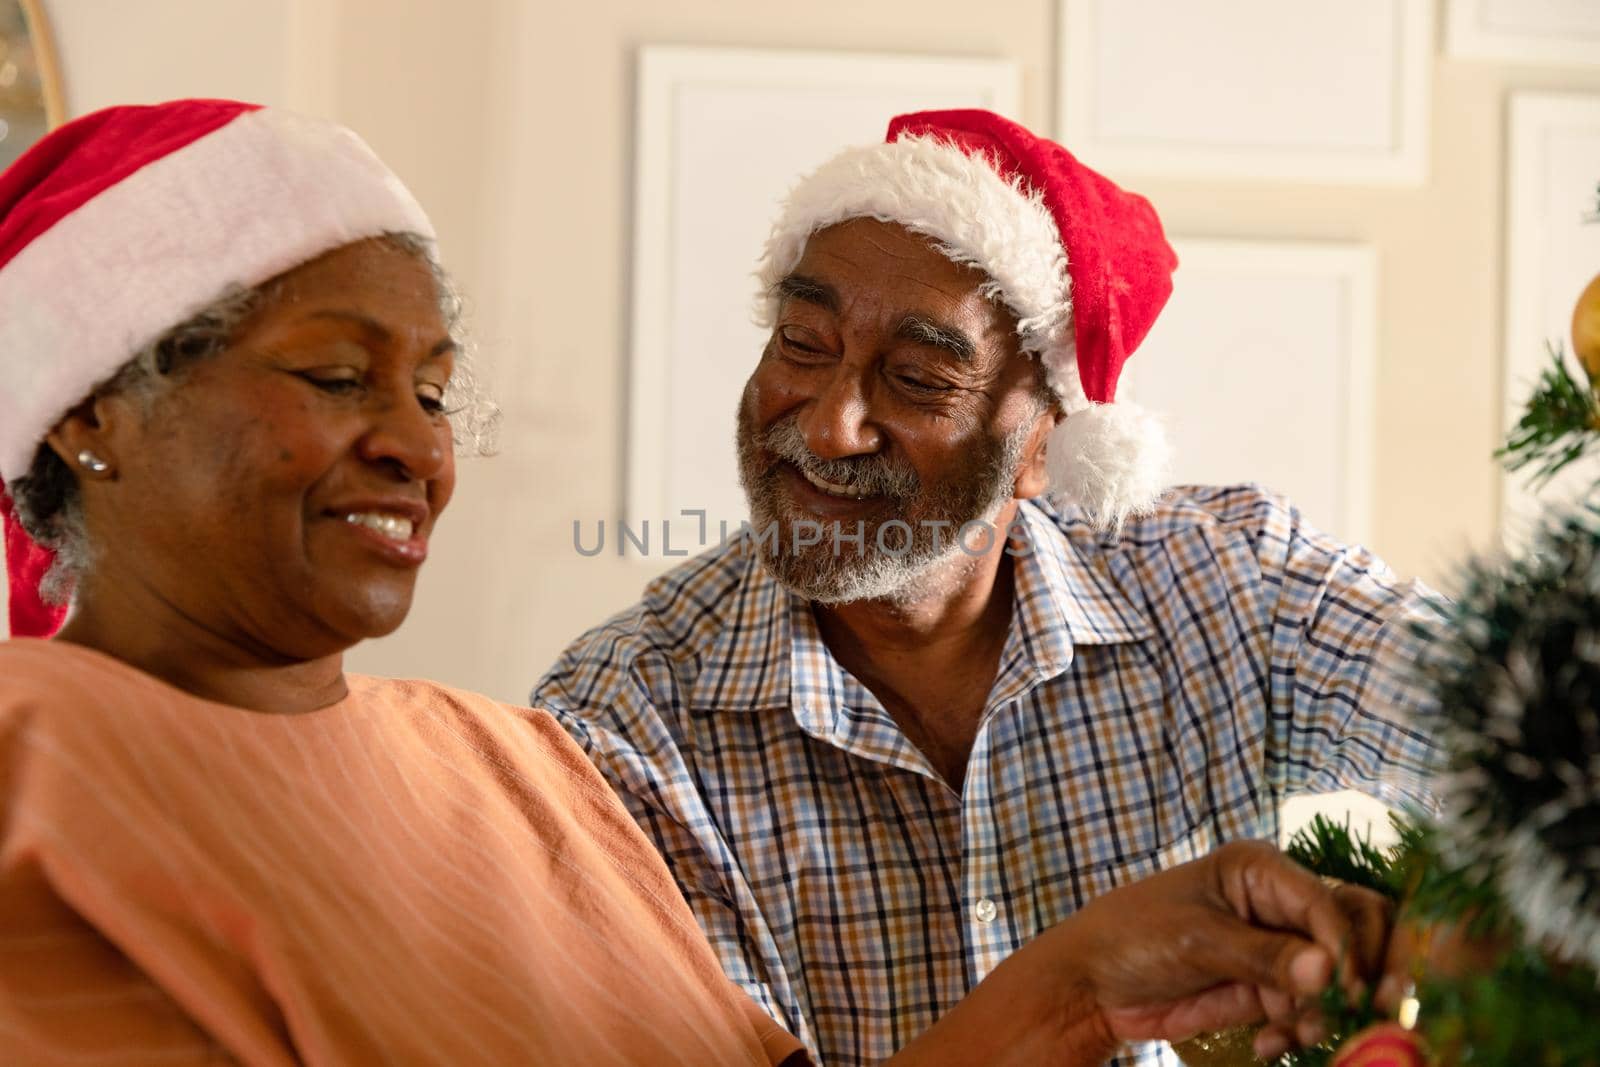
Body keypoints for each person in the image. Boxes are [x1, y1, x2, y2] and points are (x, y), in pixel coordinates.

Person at [0, 99, 1391, 1065]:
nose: (416, 443)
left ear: (1046, 448)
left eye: (432, 389)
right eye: (334, 373)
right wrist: (1080, 988)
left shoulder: (508, 763)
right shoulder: (41, 760)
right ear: (87, 412)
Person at [534, 109, 1442, 1066]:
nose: (834, 424)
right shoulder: (621, 724)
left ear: (1043, 442)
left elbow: (1516, 717)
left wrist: (1453, 931)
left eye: (920, 378)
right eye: (803, 342)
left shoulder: (1226, 579)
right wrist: (1075, 990)